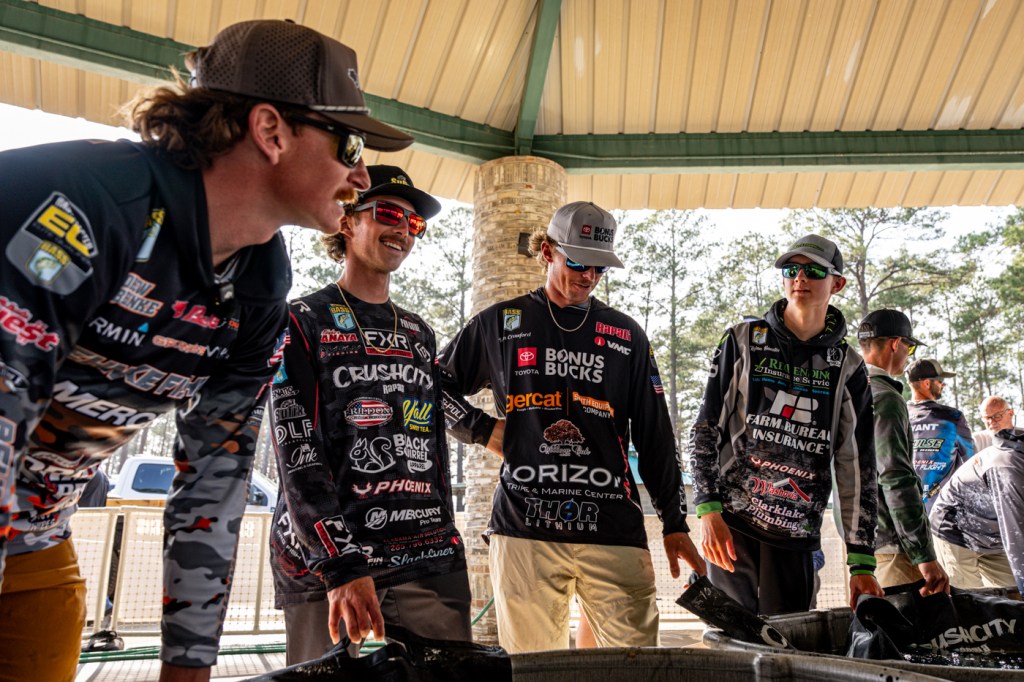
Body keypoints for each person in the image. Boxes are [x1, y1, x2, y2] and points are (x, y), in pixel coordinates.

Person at [0, 19, 413, 682]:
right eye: (350, 144)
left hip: (35, 538)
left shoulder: (260, 285)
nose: (360, 174)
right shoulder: (83, 205)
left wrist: (187, 669)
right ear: (270, 130)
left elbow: (214, 484)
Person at [441, 201, 705, 652]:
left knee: (635, 666)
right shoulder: (499, 324)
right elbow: (429, 387)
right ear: (547, 251)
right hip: (525, 530)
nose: (590, 277)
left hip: (613, 528)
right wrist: (481, 430)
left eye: (600, 267)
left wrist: (674, 522)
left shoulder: (627, 335)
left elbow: (656, 435)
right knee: (532, 670)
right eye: (579, 263)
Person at [268, 166, 473, 664]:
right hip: (330, 566)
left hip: (428, 556)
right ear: (346, 221)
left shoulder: (419, 332)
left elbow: (436, 434)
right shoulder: (300, 320)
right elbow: (297, 450)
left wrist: (495, 435)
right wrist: (339, 563)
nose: (403, 229)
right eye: (387, 213)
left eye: (413, 223)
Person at [689, 234, 883, 616]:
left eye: (814, 271)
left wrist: (861, 562)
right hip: (733, 525)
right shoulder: (743, 340)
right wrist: (707, 510)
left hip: (797, 535)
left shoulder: (848, 366)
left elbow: (858, 466)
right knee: (730, 642)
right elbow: (705, 428)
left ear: (837, 283)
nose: (800, 278)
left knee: (789, 642)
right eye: (791, 270)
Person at [856, 309, 948, 594]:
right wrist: (924, 555)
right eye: (909, 347)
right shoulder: (886, 398)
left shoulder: (847, 393)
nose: (908, 355)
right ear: (896, 343)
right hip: (893, 549)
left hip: (861, 550)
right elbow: (895, 477)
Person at [929, 426, 1024, 593]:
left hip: (993, 535)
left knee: (1012, 595)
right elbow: (1016, 534)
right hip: (955, 532)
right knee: (969, 599)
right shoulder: (1008, 467)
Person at [906, 359, 974, 510]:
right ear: (926, 383)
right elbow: (972, 462)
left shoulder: (899, 415)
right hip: (945, 510)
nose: (943, 385)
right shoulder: (952, 417)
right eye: (940, 381)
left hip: (906, 509)